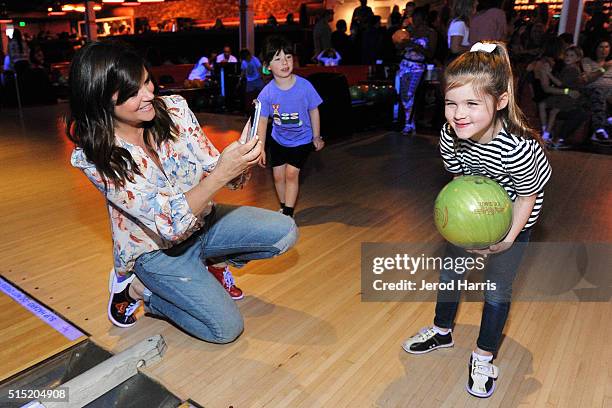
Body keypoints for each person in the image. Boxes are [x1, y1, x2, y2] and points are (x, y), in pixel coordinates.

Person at [66, 41, 298, 342]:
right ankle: (137, 289)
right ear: (101, 101)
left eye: (147, 81)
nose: (149, 94)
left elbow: (217, 169)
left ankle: (213, 263)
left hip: (203, 223)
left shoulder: (174, 109)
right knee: (225, 330)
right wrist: (222, 173)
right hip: (155, 251)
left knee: (285, 231)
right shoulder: (96, 157)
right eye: (134, 92)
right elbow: (168, 223)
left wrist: (240, 161)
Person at [402, 42, 551, 398]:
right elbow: (459, 182)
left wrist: (506, 240)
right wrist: (462, 229)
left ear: (499, 101)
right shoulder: (449, 137)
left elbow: (528, 197)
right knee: (451, 273)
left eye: (471, 103)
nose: (458, 114)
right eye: (451, 103)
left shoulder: (517, 146)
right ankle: (442, 330)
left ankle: (484, 355)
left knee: (497, 290)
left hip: (515, 220)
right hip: (473, 217)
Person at [256, 37, 325, 218]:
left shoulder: (304, 86)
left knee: (292, 174)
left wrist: (316, 136)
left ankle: (287, 213)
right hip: (278, 140)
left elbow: (314, 110)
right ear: (268, 66)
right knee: (278, 176)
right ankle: (283, 206)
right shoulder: (267, 93)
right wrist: (260, 147)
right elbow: (262, 120)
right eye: (277, 59)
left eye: (288, 57)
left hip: (302, 139)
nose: (285, 62)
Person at [396, 6, 437, 135]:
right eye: (413, 17)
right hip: (404, 65)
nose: (414, 20)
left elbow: (430, 53)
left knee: (410, 94)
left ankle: (408, 124)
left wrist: (415, 46)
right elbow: (399, 49)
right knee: (403, 95)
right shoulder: (408, 31)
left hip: (418, 67)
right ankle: (409, 122)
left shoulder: (431, 33)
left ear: (423, 18)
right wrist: (401, 45)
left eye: (417, 17)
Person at [581, 38, 612, 142]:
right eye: (601, 47)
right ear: (596, 48)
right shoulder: (587, 61)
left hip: (609, 91)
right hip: (592, 89)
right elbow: (588, 79)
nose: (604, 50)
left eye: (606, 47)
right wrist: (604, 69)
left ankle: (606, 123)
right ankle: (599, 130)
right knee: (598, 92)